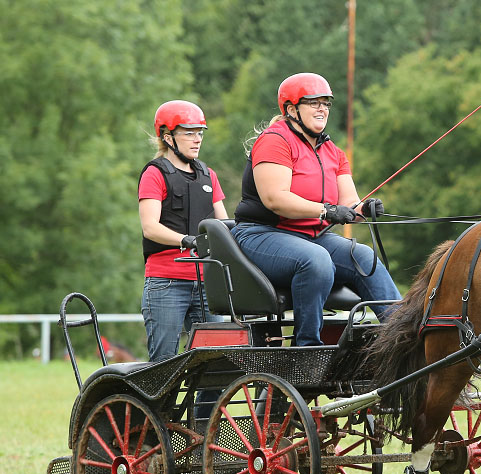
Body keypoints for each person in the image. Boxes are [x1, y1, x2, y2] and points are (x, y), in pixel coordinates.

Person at [232, 72, 400, 346]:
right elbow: (275, 198)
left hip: (311, 236)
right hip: (262, 234)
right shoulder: (275, 141)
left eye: (326, 103)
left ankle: (402, 336)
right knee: (315, 260)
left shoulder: (332, 151)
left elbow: (348, 204)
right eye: (313, 102)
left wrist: (364, 208)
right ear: (291, 109)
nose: (322, 108)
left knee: (365, 258)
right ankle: (307, 345)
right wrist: (325, 210)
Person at [138, 100, 229, 362]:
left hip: (206, 283)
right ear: (168, 137)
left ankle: (205, 406)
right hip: (167, 282)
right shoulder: (155, 174)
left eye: (200, 132)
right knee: (164, 363)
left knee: (215, 363)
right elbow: (150, 227)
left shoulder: (208, 175)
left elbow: (223, 225)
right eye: (189, 133)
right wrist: (188, 240)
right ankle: (160, 405)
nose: (197, 139)